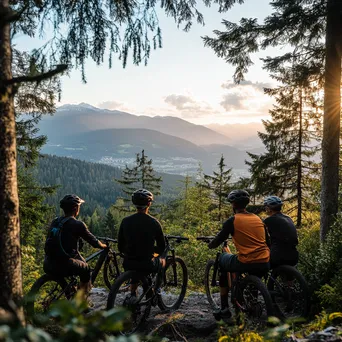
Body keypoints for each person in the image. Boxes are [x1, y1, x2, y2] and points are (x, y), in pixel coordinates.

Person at [208, 189, 270, 319]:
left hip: (246, 261)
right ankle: (251, 303)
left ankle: (224, 308)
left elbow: (219, 238)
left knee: (222, 260)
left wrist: (210, 245)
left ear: (233, 205)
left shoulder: (233, 220)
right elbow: (267, 241)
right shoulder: (258, 219)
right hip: (264, 261)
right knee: (253, 272)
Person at [44, 194, 107, 297]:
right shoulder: (78, 224)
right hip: (64, 265)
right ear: (75, 208)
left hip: (48, 263)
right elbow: (94, 242)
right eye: (79, 206)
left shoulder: (55, 221)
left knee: (77, 262)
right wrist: (103, 246)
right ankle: (80, 302)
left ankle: (71, 292)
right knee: (86, 269)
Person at [118, 189, 166, 298]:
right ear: (149, 204)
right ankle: (156, 290)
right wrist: (151, 250)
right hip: (146, 264)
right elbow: (161, 247)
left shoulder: (125, 221)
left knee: (135, 267)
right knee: (162, 262)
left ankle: (133, 294)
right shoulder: (154, 223)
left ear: (135, 204)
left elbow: (120, 245)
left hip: (128, 263)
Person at [263, 196, 299, 268]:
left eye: (266, 207)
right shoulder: (288, 218)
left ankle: (257, 279)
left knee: (260, 266)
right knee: (288, 277)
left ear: (268, 208)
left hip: (277, 256)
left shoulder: (268, 220)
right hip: (294, 256)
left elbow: (264, 239)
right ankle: (290, 279)